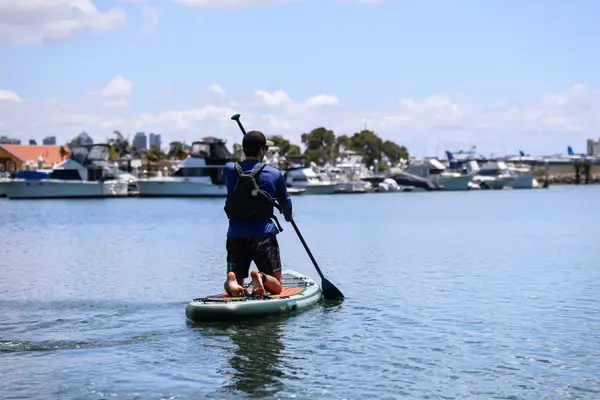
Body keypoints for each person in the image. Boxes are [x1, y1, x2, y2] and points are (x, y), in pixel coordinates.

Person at [222, 130, 294, 297]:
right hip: (264, 235)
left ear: (243, 148)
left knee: (238, 285)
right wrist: (288, 216)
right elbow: (286, 204)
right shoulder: (274, 174)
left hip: (236, 235)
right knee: (277, 287)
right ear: (262, 150)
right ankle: (260, 277)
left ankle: (232, 280)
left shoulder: (229, 170)